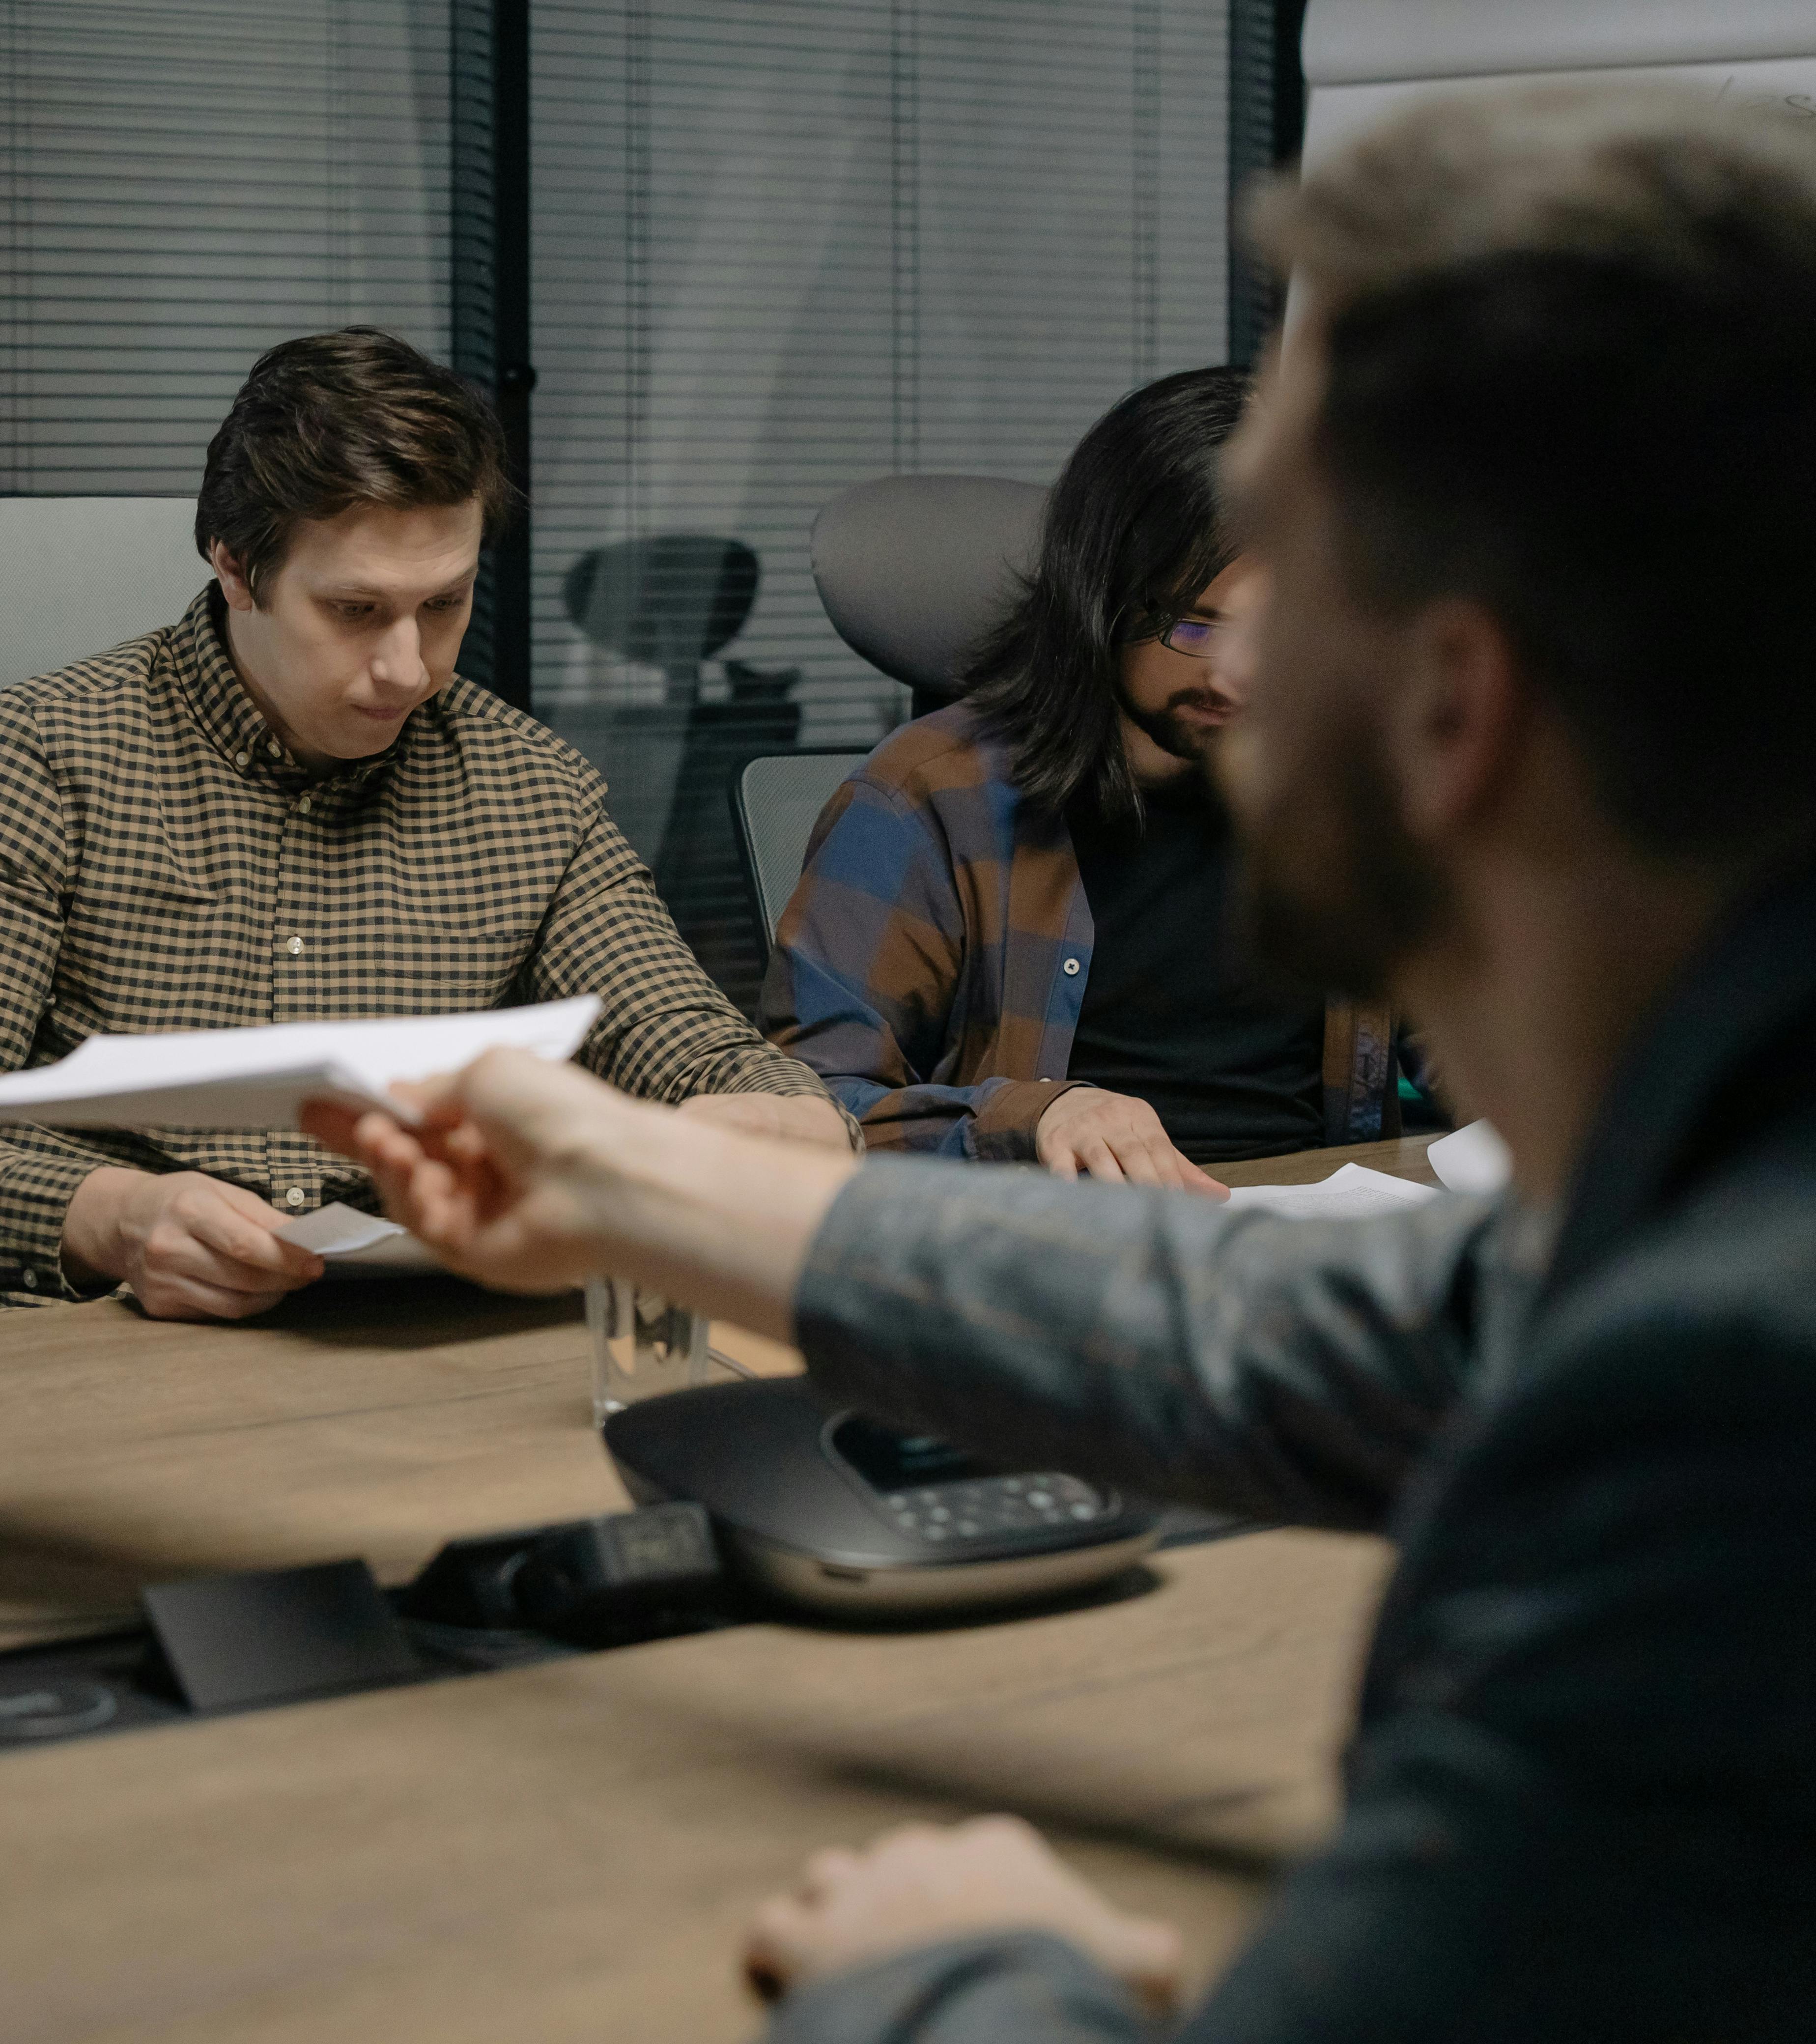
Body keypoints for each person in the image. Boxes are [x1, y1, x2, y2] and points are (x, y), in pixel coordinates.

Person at [314, 85, 1816, 2043]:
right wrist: (634, 1186)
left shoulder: (1731, 1412)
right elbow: (1267, 1329)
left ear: (1451, 704)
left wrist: (958, 1964)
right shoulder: (1712, 1207)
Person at [0, 327, 850, 1319]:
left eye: (444, 605)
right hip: (111, 1344)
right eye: (356, 612)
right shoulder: (36, 763)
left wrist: (779, 1113)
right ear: (235, 567)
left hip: (437, 1343)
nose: (409, 667)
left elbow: (676, 1034)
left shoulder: (530, 786)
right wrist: (114, 1218)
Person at [768, 367, 1413, 1192]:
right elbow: (809, 1112)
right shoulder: (923, 799)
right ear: (1101, 599)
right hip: (1065, 1255)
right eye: (1194, 627)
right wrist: (1030, 1116)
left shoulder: (1346, 783)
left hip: (1312, 1243)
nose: (1240, 677)